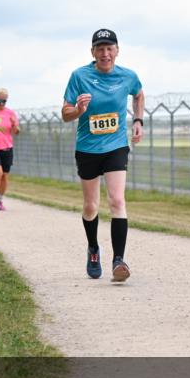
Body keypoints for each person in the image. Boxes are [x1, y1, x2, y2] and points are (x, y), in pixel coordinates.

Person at [61, 28, 145, 282]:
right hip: (87, 148)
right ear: (93, 52)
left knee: (117, 200)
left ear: (117, 51)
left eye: (110, 48)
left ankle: (119, 260)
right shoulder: (79, 76)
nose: (105, 53)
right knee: (90, 206)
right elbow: (65, 114)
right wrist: (78, 109)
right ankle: (93, 248)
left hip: (116, 145)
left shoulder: (128, 76)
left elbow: (139, 93)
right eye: (100, 48)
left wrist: (138, 120)